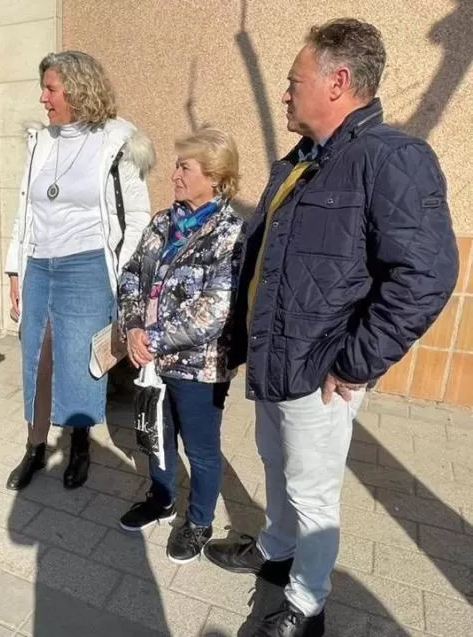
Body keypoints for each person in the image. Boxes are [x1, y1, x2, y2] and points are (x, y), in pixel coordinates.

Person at [203, 19, 458, 637]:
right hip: (275, 357)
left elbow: (425, 276)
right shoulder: (300, 162)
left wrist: (356, 361)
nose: (284, 93)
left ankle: (306, 603)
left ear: (338, 82)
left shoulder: (392, 159)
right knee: (273, 462)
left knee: (313, 493)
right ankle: (275, 547)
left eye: (294, 81)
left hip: (321, 369)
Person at [5, 50, 154, 492]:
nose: (43, 98)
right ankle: (35, 446)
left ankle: (80, 444)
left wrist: (121, 275)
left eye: (50, 89)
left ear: (77, 89)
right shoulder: (42, 140)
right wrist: (14, 270)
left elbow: (137, 215)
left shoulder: (117, 139)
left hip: (87, 264)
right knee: (37, 358)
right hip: (38, 263)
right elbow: (25, 210)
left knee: (80, 361)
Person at [117, 128, 245, 564]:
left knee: (201, 449)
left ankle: (199, 521)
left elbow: (215, 309)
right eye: (176, 166)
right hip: (151, 360)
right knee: (157, 435)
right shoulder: (162, 222)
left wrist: (152, 339)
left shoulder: (230, 232)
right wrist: (134, 327)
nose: (173, 175)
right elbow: (131, 274)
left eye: (184, 168)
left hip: (198, 366)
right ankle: (162, 498)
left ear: (215, 176)